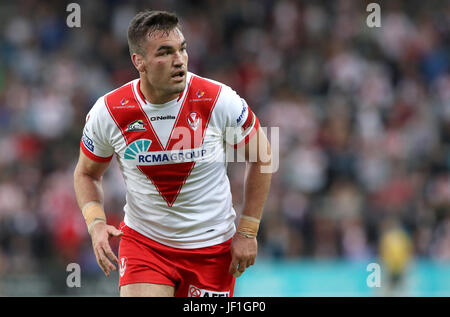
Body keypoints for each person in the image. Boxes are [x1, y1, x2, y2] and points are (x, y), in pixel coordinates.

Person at [73, 10, 272, 297]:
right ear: (138, 61)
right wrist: (96, 224)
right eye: (165, 53)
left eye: (182, 49)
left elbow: (263, 156)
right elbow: (86, 173)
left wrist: (248, 230)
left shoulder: (218, 100)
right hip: (146, 245)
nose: (179, 60)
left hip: (212, 249)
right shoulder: (110, 112)